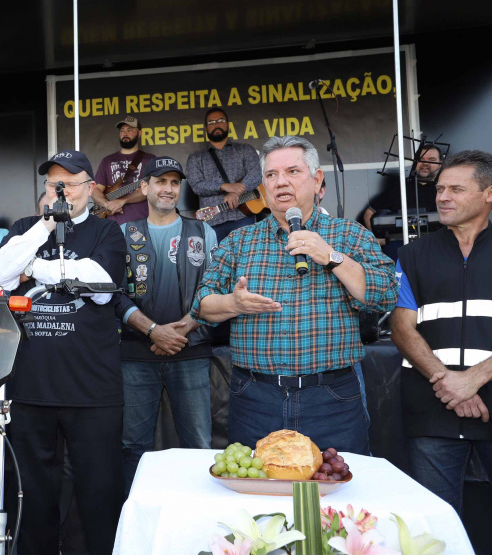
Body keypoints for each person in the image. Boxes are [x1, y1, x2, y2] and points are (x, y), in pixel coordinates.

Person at [191, 136, 397, 455]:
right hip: (255, 397)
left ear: (316, 180)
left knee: (336, 496)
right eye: (271, 175)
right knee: (259, 495)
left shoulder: (350, 234)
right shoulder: (238, 241)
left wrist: (333, 257)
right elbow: (202, 304)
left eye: (292, 171)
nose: (281, 182)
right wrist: (233, 303)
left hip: (331, 397)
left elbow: (384, 295)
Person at [0, 149, 127, 555]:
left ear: (90, 188)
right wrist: (43, 230)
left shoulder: (107, 232)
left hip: (92, 390)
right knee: (31, 496)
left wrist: (38, 268)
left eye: (70, 181)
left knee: (98, 495)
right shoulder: (28, 227)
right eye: (53, 183)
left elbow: (100, 289)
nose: (61, 189)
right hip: (30, 387)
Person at [390, 150, 492, 515]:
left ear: (489, 194)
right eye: (440, 189)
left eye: (456, 189)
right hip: (432, 410)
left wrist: (474, 379)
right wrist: (449, 382)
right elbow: (401, 328)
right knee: (434, 527)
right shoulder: (415, 253)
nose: (443, 196)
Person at [113, 157, 218, 494]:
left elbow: (214, 289)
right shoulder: (122, 234)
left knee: (199, 445)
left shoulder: (203, 232)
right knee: (133, 447)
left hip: (191, 353)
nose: (168, 189)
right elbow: (114, 294)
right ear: (145, 188)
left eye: (174, 183)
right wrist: (152, 331)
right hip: (136, 357)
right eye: (160, 181)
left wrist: (181, 330)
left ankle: (200, 526)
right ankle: (136, 523)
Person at [185, 108, 263, 242]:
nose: (216, 124)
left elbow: (257, 173)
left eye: (220, 120)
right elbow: (197, 186)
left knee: (247, 261)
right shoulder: (195, 158)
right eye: (211, 122)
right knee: (216, 262)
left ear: (228, 124)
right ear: (206, 128)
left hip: (243, 217)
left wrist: (239, 190)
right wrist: (224, 186)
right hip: (213, 222)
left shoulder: (245, 150)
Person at [364, 144, 444, 259]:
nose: (425, 163)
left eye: (432, 160)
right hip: (399, 246)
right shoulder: (399, 188)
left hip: (436, 245)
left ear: (440, 164)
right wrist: (375, 239)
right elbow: (369, 213)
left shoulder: (444, 188)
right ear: (415, 162)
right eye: (421, 159)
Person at [91, 115, 156, 225]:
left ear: (140, 133)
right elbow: (95, 190)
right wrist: (107, 204)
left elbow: (151, 189)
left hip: (142, 224)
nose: (125, 134)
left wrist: (123, 201)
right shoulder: (107, 161)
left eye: (130, 130)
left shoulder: (149, 159)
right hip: (112, 226)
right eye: (122, 130)